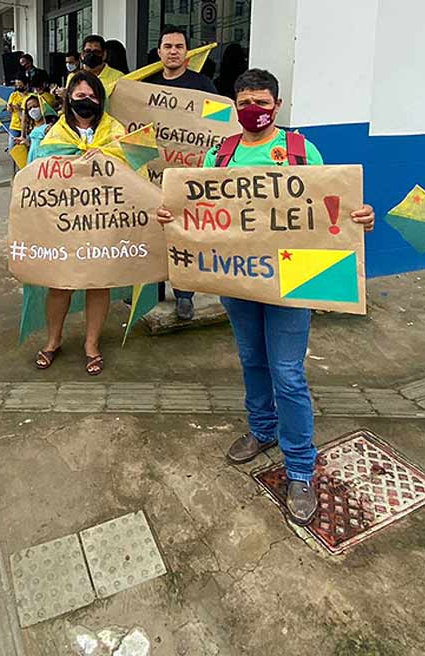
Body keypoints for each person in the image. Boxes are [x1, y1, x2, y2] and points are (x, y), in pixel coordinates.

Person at [157, 69, 375, 525]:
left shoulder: (299, 150)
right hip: (239, 277)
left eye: (260, 102)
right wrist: (171, 213)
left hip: (293, 276)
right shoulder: (223, 152)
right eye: (244, 103)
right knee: (251, 360)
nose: (252, 110)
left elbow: (328, 203)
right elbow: (200, 208)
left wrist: (358, 216)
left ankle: (300, 467)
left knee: (288, 372)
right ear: (235, 107)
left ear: (277, 105)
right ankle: (262, 430)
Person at [26, 71, 130, 376]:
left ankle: (91, 344)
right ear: (68, 98)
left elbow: (133, 168)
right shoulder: (49, 136)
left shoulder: (116, 132)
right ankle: (53, 340)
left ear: (102, 100)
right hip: (64, 225)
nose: (86, 102)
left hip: (103, 222)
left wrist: (109, 158)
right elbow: (35, 176)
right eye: (80, 96)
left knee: (98, 284)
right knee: (60, 285)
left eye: (92, 96)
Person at [143, 25, 218, 321]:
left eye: (179, 46)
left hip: (189, 175)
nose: (173, 51)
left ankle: (185, 294)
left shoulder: (202, 85)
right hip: (152, 175)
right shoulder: (145, 85)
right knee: (152, 229)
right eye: (168, 46)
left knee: (185, 234)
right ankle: (154, 287)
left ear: (187, 52)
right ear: (159, 51)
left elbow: (218, 124)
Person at [6, 75, 27, 141]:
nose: (18, 86)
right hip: (14, 125)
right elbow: (9, 110)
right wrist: (9, 107)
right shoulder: (13, 95)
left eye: (20, 84)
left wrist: (19, 109)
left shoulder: (29, 96)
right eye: (17, 84)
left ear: (25, 84)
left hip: (27, 126)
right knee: (11, 147)